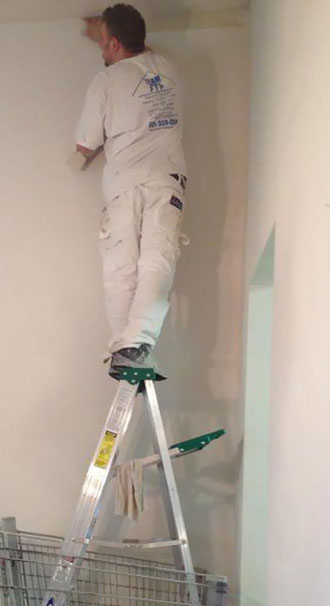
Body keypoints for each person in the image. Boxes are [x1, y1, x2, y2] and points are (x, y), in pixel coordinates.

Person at [75, 3, 187, 379]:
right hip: (167, 183)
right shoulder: (167, 68)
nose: (100, 46)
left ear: (114, 43)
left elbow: (86, 144)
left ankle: (125, 349)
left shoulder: (106, 82)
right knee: (158, 262)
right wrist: (113, 33)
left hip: (125, 186)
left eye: (103, 41)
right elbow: (141, 51)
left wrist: (78, 159)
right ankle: (136, 344)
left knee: (121, 269)